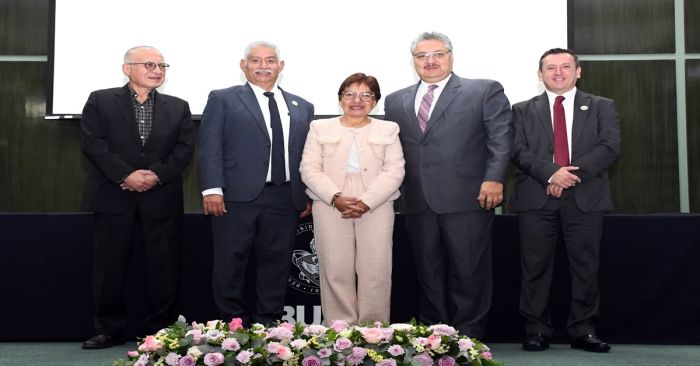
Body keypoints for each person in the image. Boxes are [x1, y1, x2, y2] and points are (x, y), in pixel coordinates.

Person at [383, 32, 512, 338]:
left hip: (467, 197)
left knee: (469, 272)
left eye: (438, 54)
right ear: (413, 60)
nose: (430, 61)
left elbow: (500, 137)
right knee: (427, 272)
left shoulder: (483, 90)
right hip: (417, 200)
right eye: (421, 56)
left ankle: (468, 338)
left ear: (451, 57)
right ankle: (434, 336)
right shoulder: (395, 99)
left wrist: (494, 178)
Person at [80, 46, 194, 349]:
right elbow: (93, 144)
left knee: (164, 267)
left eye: (162, 65)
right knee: (109, 267)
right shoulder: (101, 100)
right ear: (127, 68)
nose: (157, 70)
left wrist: (155, 174)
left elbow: (183, 149)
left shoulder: (178, 106)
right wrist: (125, 175)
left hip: (162, 197)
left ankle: (161, 330)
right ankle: (108, 328)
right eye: (149, 64)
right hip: (113, 195)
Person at [510, 48, 621, 352]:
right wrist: (551, 174)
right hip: (537, 195)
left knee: (585, 267)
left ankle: (583, 330)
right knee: (534, 267)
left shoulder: (601, 106)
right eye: (550, 68)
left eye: (565, 67)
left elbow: (609, 147)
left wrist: (568, 176)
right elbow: (517, 150)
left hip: (585, 197)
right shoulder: (521, 110)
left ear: (578, 71)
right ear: (540, 74)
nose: (558, 72)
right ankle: (536, 330)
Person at [198, 41, 314, 326]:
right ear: (243, 65)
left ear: (281, 66)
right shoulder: (223, 98)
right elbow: (209, 145)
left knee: (277, 264)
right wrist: (212, 188)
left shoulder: (303, 106)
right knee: (230, 262)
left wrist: (307, 193)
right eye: (255, 60)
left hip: (285, 198)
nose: (263, 66)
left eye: (270, 60)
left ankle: (269, 323)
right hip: (235, 197)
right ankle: (230, 324)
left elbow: (306, 155)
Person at [300, 73, 405, 324]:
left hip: (376, 203)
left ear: (375, 101)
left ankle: (374, 329)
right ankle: (340, 329)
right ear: (340, 99)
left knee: (376, 268)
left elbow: (395, 169)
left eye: (366, 95)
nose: (357, 100)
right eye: (349, 94)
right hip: (330, 201)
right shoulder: (319, 127)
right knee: (335, 269)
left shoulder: (388, 129)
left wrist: (367, 201)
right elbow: (309, 168)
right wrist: (335, 197)